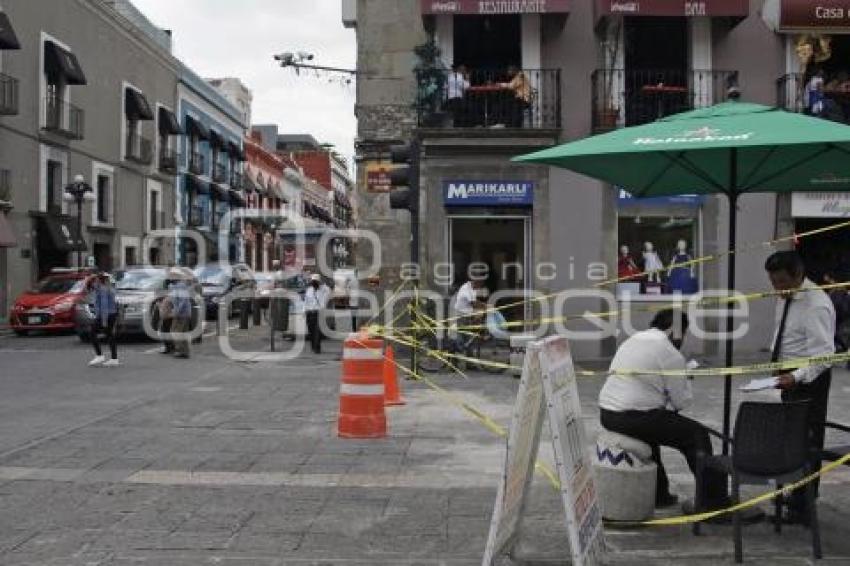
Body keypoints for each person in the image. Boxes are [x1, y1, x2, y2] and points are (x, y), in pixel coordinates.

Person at [598, 309, 728, 511]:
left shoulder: (634, 339)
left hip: (608, 412)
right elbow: (680, 403)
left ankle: (659, 495)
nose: (683, 340)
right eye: (683, 335)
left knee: (652, 431)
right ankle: (713, 502)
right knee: (696, 435)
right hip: (633, 415)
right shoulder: (671, 354)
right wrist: (685, 378)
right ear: (673, 332)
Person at [765, 251, 835, 524]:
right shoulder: (786, 296)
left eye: (782, 282)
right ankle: (796, 492)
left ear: (798, 275)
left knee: (808, 440)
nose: (777, 288)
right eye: (773, 282)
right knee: (792, 439)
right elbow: (783, 332)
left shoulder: (816, 304)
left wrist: (796, 376)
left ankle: (805, 503)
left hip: (808, 380)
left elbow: (824, 356)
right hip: (787, 375)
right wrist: (776, 360)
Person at [88, 273, 120, 367]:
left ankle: (99, 355)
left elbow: (104, 306)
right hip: (112, 314)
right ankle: (114, 358)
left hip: (106, 315)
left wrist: (104, 321)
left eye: (95, 281)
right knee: (110, 335)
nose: (93, 283)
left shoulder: (103, 289)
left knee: (92, 333)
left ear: (98, 281)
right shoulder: (109, 288)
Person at [168, 278, 194, 359]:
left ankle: (180, 350)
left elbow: (183, 300)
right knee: (182, 331)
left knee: (176, 331)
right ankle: (185, 351)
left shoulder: (180, 286)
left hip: (181, 313)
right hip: (183, 312)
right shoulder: (176, 286)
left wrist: (177, 312)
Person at [304, 273, 329, 354]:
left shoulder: (324, 289)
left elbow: (328, 291)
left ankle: (317, 348)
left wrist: (322, 284)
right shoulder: (309, 290)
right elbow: (306, 301)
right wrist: (304, 311)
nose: (314, 283)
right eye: (313, 282)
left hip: (319, 312)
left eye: (316, 282)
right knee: (311, 330)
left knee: (317, 330)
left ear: (319, 282)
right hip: (309, 312)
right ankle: (313, 346)